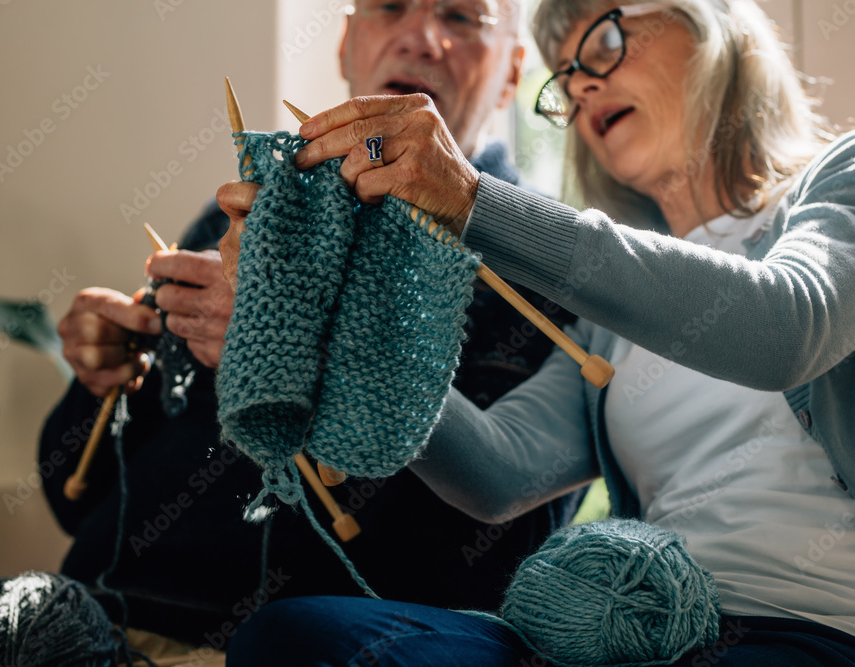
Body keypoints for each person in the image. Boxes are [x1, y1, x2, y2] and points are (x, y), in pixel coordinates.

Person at [217, 0, 855, 665]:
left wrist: (471, 200)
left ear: (719, 28)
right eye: (564, 74)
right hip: (641, 636)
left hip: (838, 633)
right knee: (294, 639)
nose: (581, 85)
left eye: (604, 41)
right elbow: (499, 473)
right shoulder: (612, 317)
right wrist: (333, 325)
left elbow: (784, 326)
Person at [39, 0, 585, 662]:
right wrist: (106, 384)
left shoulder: (541, 264)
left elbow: (486, 568)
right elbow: (74, 495)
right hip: (90, 611)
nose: (421, 38)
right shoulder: (246, 213)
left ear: (511, 73)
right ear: (347, 44)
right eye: (390, 7)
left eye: (462, 17)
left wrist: (297, 349)